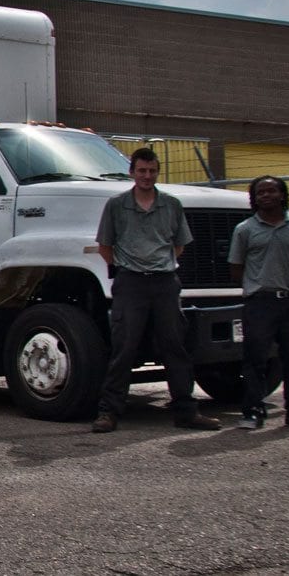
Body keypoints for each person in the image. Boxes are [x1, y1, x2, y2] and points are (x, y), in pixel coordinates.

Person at [92, 147, 221, 433]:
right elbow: (105, 247)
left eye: (151, 171)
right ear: (132, 173)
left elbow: (179, 245)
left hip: (164, 283)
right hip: (131, 284)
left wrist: (160, 264)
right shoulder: (116, 205)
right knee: (124, 348)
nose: (147, 176)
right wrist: (131, 267)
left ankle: (186, 412)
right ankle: (109, 413)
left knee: (175, 347)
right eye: (141, 171)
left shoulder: (172, 205)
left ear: (157, 172)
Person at [228, 176, 289, 430]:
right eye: (260, 192)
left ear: (282, 195)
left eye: (271, 191)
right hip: (260, 303)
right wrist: (260, 284)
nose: (266, 196)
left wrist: (285, 283)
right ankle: (252, 411)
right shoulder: (244, 230)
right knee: (255, 360)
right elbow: (236, 269)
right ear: (254, 199)